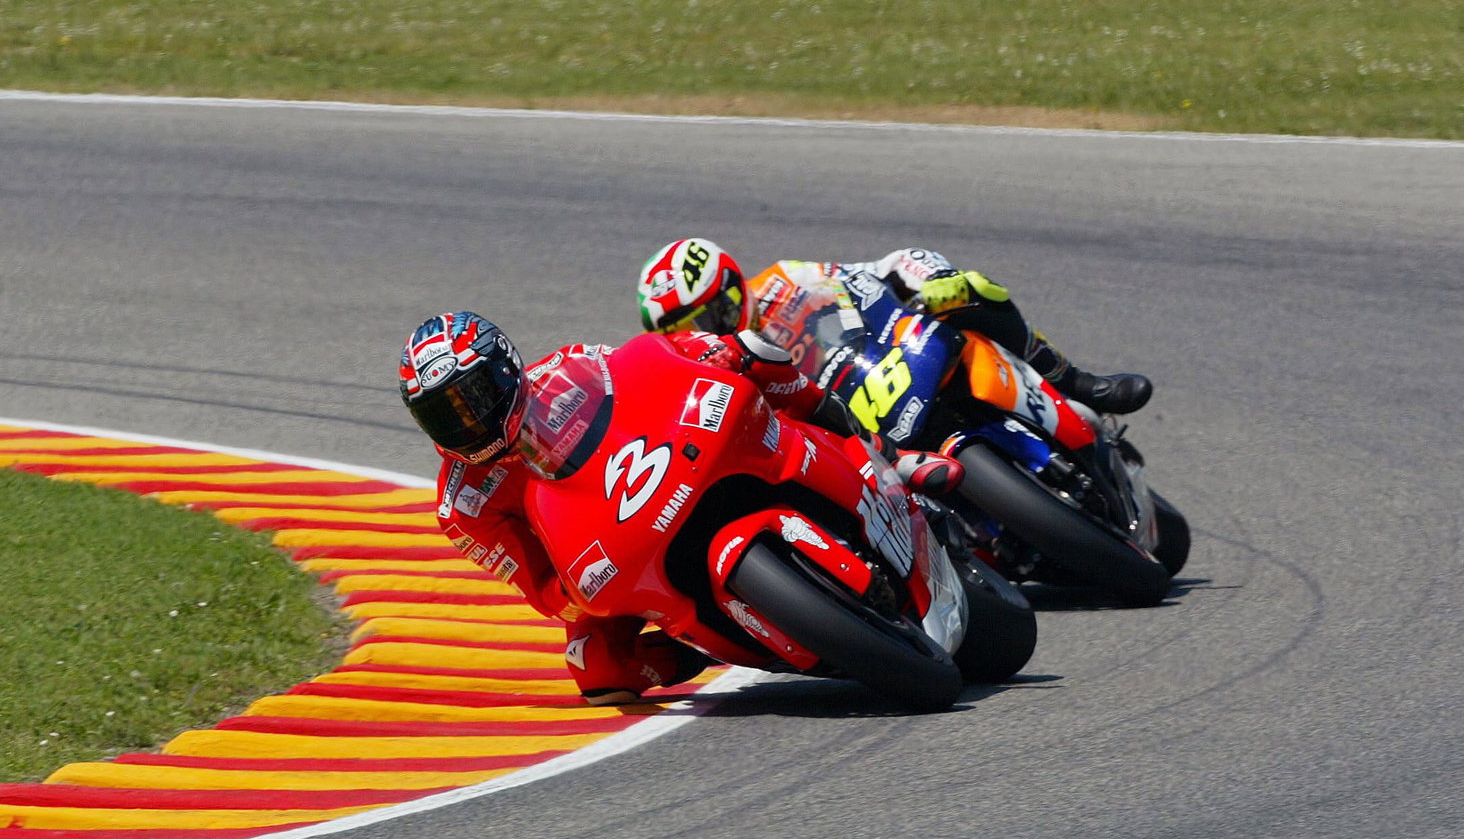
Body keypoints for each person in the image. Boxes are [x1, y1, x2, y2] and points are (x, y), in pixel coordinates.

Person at [397, 310, 946, 704]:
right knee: (595, 669)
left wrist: (715, 353)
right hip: (609, 548)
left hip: (667, 464)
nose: (467, 423)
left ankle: (885, 453)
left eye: (473, 399)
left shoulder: (566, 368)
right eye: (445, 416)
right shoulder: (463, 506)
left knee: (754, 354)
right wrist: (577, 584)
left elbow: (652, 369)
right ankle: (707, 648)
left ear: (506, 370)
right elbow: (543, 593)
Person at [635, 238, 1153, 416]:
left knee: (968, 293)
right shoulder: (718, 379)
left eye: (710, 316)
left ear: (732, 286)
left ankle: (1075, 381)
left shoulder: (785, 279)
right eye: (688, 330)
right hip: (854, 426)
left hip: (894, 360)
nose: (707, 332)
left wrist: (932, 279)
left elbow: (885, 268)